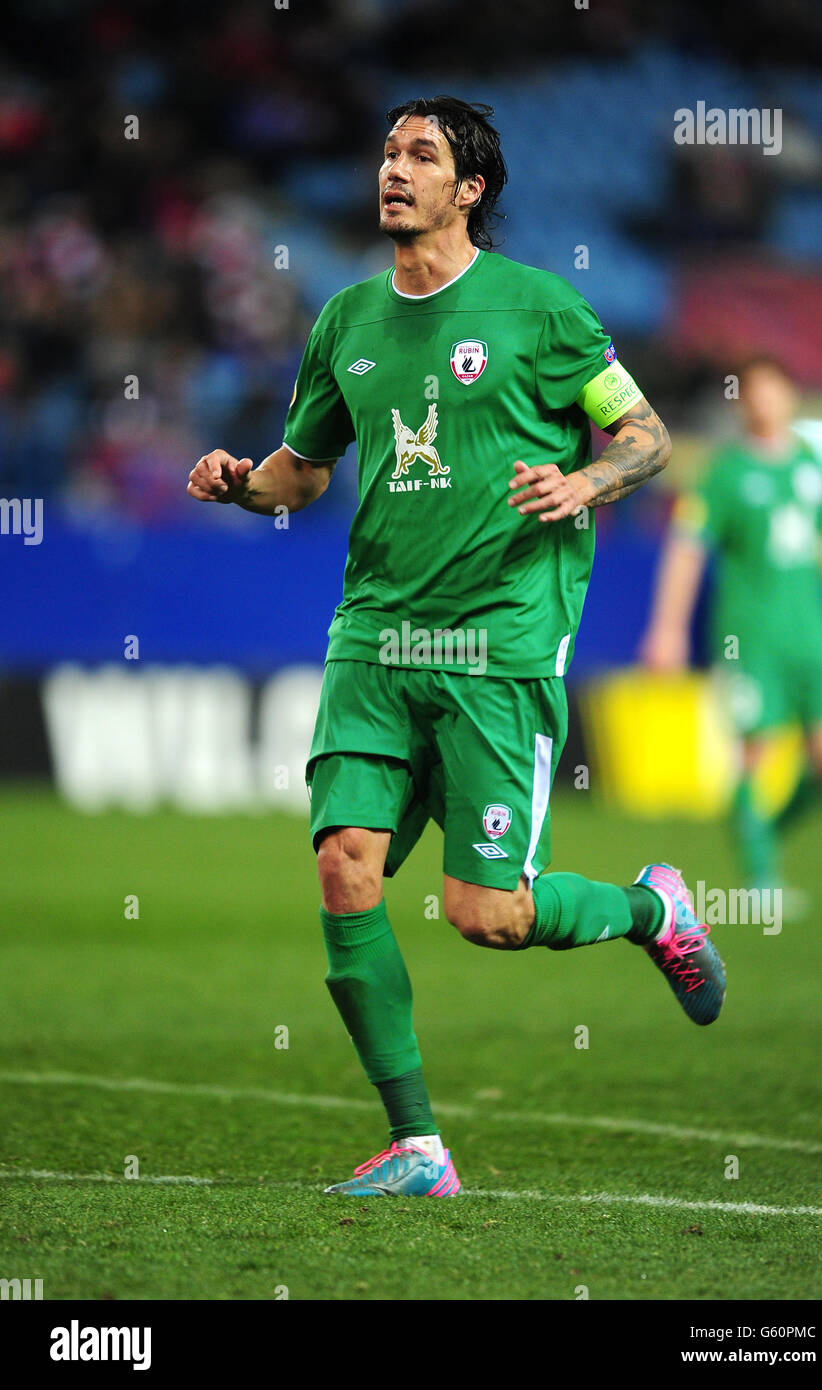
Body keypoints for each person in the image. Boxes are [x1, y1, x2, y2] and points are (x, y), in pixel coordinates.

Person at [188, 96, 725, 1199]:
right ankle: (418, 1146)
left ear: (468, 187)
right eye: (386, 150)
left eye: (420, 154)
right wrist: (242, 483)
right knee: (345, 867)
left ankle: (648, 908)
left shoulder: (539, 310)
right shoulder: (343, 321)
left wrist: (585, 479)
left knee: (488, 916)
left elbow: (646, 434)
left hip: (497, 642)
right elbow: (302, 469)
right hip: (374, 637)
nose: (393, 168)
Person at [642, 355, 822, 894]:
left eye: (773, 390)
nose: (763, 401)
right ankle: (760, 876)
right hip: (749, 634)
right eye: (753, 392)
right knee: (755, 750)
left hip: (810, 631)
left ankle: (763, 832)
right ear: (742, 402)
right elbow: (687, 550)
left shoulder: (812, 464)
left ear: (790, 397)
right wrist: (667, 626)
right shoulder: (724, 471)